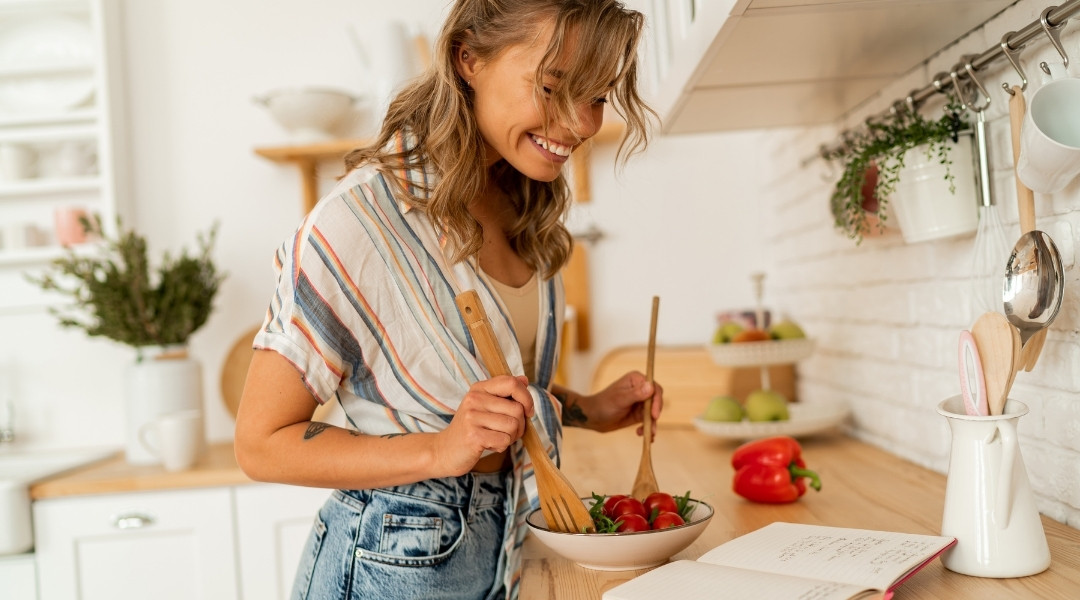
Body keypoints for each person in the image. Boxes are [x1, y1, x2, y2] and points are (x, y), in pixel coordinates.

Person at [234, 1, 660, 598]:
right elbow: (261, 445)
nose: (580, 123)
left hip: (499, 539)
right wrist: (440, 449)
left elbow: (460, 386)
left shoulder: (522, 202)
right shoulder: (363, 223)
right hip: (391, 560)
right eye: (552, 86)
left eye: (595, 95)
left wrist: (587, 408)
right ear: (469, 59)